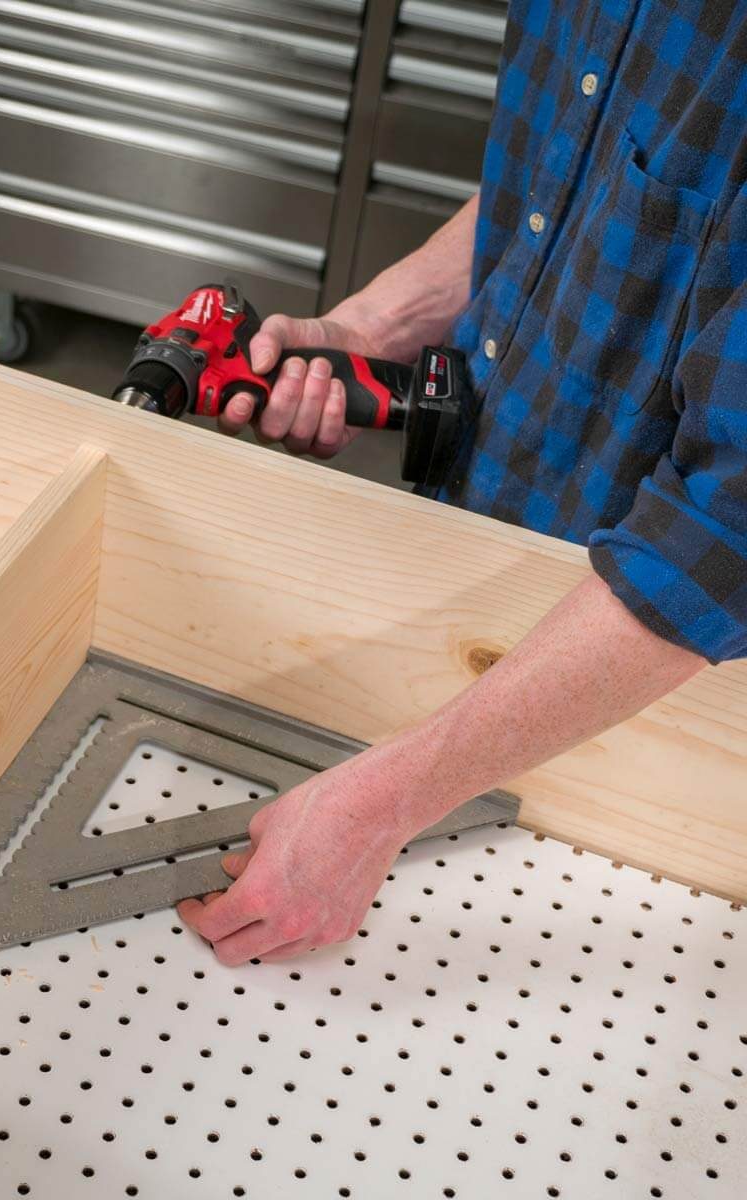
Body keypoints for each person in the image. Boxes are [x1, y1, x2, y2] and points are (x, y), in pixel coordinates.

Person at [179, 0, 747, 965]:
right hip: (501, 526)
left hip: (669, 697)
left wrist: (374, 810)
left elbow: (722, 540)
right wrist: (375, 325)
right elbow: (573, 178)